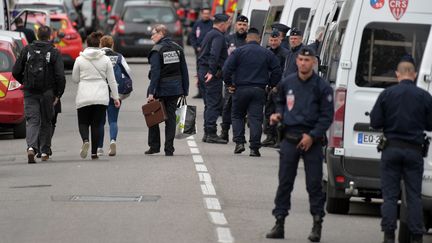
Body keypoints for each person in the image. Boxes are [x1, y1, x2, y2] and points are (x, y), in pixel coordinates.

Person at [266, 47, 334, 242]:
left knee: (314, 185)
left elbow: (327, 116)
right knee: (284, 183)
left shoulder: (322, 87)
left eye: (307, 60)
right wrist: (278, 114)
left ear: (314, 62)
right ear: (296, 61)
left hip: (312, 141)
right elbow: (279, 101)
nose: (303, 63)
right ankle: (279, 223)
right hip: (290, 138)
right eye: (301, 59)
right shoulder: (288, 83)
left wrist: (312, 136)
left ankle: (317, 223)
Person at [370, 56, 432, 243]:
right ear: (413, 75)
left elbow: (375, 122)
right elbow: (430, 125)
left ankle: (389, 235)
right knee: (413, 196)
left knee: (389, 196)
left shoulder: (387, 94)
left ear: (397, 74)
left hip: (391, 149)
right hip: (414, 151)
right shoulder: (424, 96)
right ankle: (416, 237)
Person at [223, 28, 281, 156]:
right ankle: (254, 148)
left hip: (240, 89)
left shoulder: (238, 52)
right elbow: (277, 70)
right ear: (259, 39)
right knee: (255, 118)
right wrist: (271, 84)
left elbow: (226, 69)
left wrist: (229, 84)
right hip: (258, 90)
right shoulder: (267, 53)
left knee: (237, 115)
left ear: (246, 39)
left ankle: (239, 143)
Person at [12, 25, 65, 163]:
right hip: (48, 92)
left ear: (37, 34)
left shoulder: (27, 50)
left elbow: (16, 71)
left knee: (32, 121)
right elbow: (60, 76)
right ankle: (45, 151)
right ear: (50, 36)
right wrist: (58, 94)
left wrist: (25, 81)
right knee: (46, 121)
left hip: (30, 91)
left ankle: (31, 148)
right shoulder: (54, 52)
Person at [72, 32, 121, 160]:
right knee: (97, 124)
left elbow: (75, 79)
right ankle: (94, 152)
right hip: (101, 95)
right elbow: (112, 80)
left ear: (87, 44)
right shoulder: (105, 59)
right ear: (99, 44)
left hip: (84, 95)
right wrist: (115, 97)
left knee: (83, 122)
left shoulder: (79, 59)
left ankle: (85, 140)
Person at [145, 24, 189, 156]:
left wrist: (151, 92)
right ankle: (169, 148)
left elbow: (155, 73)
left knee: (153, 116)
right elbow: (184, 71)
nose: (151, 36)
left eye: (153, 34)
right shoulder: (178, 49)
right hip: (175, 89)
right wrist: (184, 89)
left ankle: (154, 146)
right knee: (170, 118)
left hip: (160, 88)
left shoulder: (156, 50)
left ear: (161, 34)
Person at [97, 35, 133, 157]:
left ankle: (99, 148)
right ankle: (113, 140)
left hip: (100, 91)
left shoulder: (97, 56)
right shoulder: (118, 56)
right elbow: (128, 70)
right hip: (115, 91)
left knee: (100, 122)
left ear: (100, 45)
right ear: (112, 45)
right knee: (113, 120)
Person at [197, 13, 230, 144]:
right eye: (228, 23)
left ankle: (207, 133)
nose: (229, 26)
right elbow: (214, 54)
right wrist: (211, 71)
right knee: (214, 104)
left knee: (208, 104)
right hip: (211, 74)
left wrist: (200, 72)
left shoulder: (210, 33)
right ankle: (211, 133)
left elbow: (201, 53)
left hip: (203, 71)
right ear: (222, 24)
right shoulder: (218, 36)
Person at [219, 14, 249, 141]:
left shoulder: (250, 40)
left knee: (242, 108)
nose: (242, 27)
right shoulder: (228, 39)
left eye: (244, 25)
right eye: (240, 24)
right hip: (230, 78)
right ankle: (224, 131)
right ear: (236, 25)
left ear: (247, 26)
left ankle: (239, 135)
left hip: (245, 80)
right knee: (227, 105)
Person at [262, 29, 289, 148]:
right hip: (268, 87)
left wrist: (278, 86)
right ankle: (270, 136)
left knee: (279, 112)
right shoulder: (266, 52)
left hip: (279, 88)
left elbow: (284, 72)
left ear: (280, 40)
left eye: (275, 40)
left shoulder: (285, 53)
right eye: (271, 40)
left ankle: (279, 139)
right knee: (268, 112)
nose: (273, 42)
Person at [189, 7, 213, 99]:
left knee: (208, 70)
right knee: (199, 71)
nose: (206, 15)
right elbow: (192, 36)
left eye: (208, 13)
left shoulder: (212, 24)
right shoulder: (197, 24)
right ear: (201, 14)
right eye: (204, 13)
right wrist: (196, 47)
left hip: (210, 53)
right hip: (199, 52)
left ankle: (207, 91)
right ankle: (200, 91)